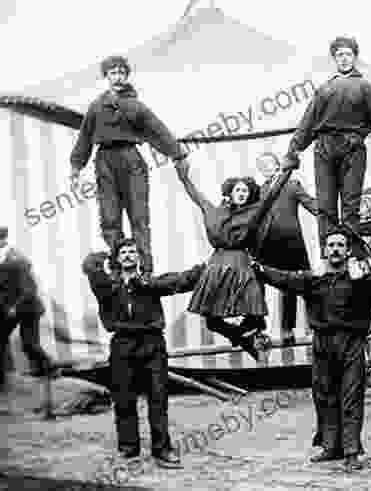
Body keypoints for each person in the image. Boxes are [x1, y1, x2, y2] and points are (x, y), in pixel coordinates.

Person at [252, 227, 371, 472]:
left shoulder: (361, 279)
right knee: (324, 395)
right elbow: (283, 279)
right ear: (325, 251)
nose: (335, 249)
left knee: (351, 397)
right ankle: (330, 447)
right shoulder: (312, 279)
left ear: (348, 251)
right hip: (322, 344)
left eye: (340, 245)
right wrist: (259, 269)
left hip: (352, 343)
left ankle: (351, 451)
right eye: (331, 245)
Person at [82, 238, 204, 468]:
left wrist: (206, 267)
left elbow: (181, 281)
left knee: (158, 399)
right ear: (117, 258)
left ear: (139, 257)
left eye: (132, 251)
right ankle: (128, 448)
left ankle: (163, 450)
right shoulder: (107, 286)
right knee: (124, 399)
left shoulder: (150, 282)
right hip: (122, 345)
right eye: (123, 252)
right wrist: (104, 256)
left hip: (153, 344)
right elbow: (89, 266)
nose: (128, 255)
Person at [282, 36, 371, 258]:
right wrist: (293, 152)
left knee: (350, 206)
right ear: (334, 58)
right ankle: (327, 258)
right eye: (339, 54)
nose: (344, 58)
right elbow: (307, 124)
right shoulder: (324, 89)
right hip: (324, 149)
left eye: (348, 54)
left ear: (355, 57)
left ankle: (353, 258)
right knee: (326, 207)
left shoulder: (366, 88)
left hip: (353, 149)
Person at [70, 55, 189, 275]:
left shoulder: (136, 106)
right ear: (106, 76)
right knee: (110, 217)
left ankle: (145, 269)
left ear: (127, 76)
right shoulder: (96, 106)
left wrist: (178, 154)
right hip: (105, 161)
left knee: (139, 217)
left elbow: (158, 131)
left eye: (121, 72)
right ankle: (117, 267)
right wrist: (76, 168)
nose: (117, 76)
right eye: (113, 72)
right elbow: (85, 138)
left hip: (131, 159)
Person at [174, 159, 292, 360]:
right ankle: (244, 339)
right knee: (212, 320)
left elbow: (272, 194)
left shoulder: (255, 211)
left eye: (246, 190)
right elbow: (195, 195)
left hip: (241, 263)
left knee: (255, 317)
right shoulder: (213, 211)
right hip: (217, 264)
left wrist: (287, 171)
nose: (242, 193)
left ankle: (253, 340)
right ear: (230, 193)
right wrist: (183, 175)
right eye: (238, 190)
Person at [254, 152, 319, 345]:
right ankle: (266, 330)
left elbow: (312, 204)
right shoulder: (258, 191)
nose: (265, 169)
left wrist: (328, 214)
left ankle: (304, 328)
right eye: (261, 166)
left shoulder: (292, 185)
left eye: (268, 164)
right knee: (265, 284)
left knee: (303, 285)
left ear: (277, 166)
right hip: (268, 244)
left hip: (292, 243)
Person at [0, 226, 53, 394]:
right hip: (12, 308)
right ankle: (6, 375)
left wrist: (14, 307)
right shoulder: (6, 257)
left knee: (30, 344)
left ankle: (48, 369)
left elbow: (28, 289)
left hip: (27, 307)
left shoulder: (16, 258)